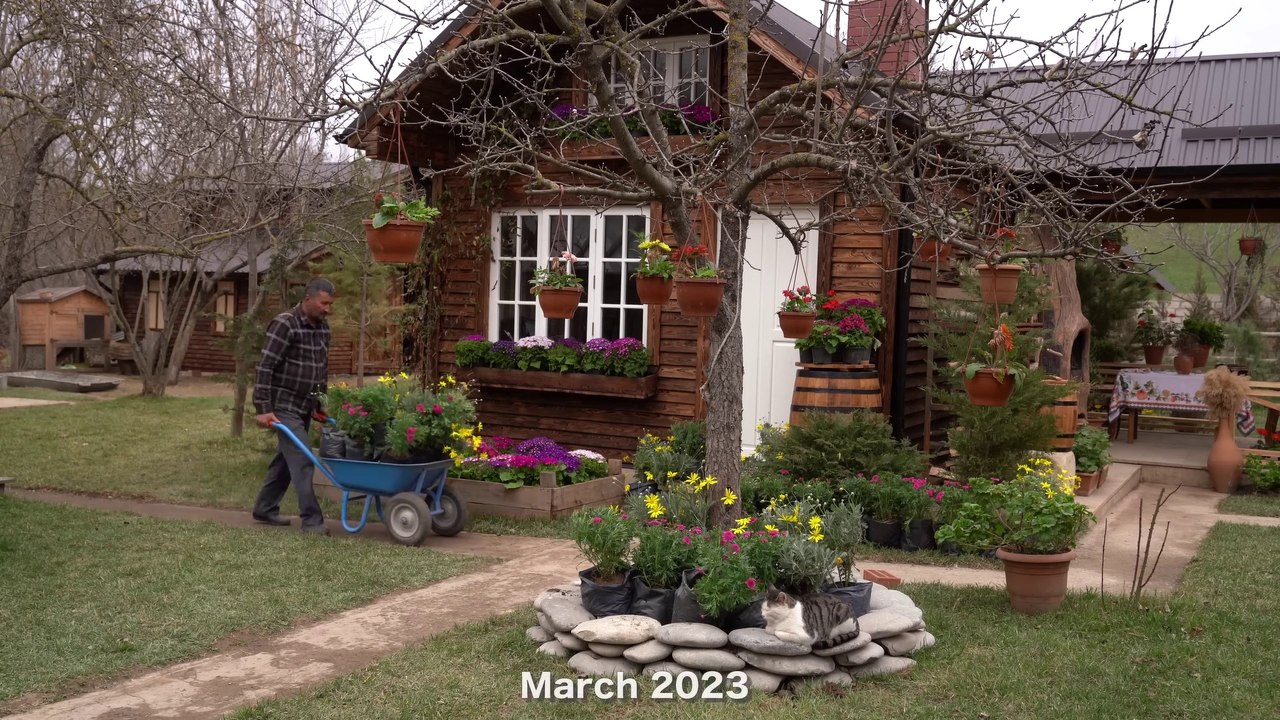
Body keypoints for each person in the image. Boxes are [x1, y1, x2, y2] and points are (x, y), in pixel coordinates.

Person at [252, 277, 335, 534]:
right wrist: (263, 408)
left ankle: (265, 508)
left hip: (305, 404)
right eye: (323, 303)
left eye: (330, 304)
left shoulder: (323, 328)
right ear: (308, 298)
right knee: (302, 458)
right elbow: (265, 366)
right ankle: (312, 521)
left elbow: (320, 369)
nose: (327, 309)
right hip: (283, 404)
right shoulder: (285, 324)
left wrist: (320, 403)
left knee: (286, 458)